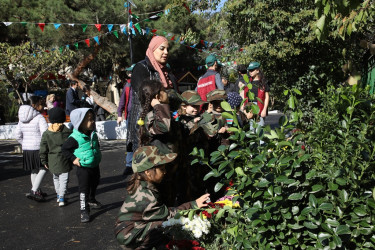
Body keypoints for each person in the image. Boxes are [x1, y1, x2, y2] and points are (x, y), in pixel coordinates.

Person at [115, 145, 210, 249]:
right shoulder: (146, 195)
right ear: (148, 172)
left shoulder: (142, 183)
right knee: (162, 227)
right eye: (161, 168)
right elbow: (167, 214)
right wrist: (193, 204)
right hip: (128, 234)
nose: (165, 172)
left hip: (130, 228)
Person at [126, 36, 177, 173]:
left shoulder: (167, 72)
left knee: (163, 170)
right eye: (162, 48)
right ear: (153, 49)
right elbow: (144, 95)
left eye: (167, 49)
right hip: (145, 126)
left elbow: (175, 96)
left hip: (164, 124)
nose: (166, 52)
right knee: (146, 170)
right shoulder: (141, 68)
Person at [62, 108, 102, 223]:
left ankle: (91, 199)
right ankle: (84, 210)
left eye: (92, 119)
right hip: (83, 167)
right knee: (84, 188)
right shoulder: (74, 138)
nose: (93, 121)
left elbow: (95, 145)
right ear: (80, 123)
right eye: (89, 120)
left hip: (94, 164)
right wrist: (73, 159)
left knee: (95, 182)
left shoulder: (92, 133)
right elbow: (65, 150)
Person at [15, 96, 48, 201]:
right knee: (44, 168)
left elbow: (17, 135)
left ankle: (37, 190)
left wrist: (24, 143)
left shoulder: (21, 119)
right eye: (41, 104)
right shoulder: (39, 117)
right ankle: (34, 190)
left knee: (34, 169)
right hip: (38, 147)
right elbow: (45, 134)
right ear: (35, 105)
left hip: (27, 148)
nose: (43, 107)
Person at [39, 107, 72, 207]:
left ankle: (58, 195)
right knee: (64, 179)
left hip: (52, 159)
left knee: (56, 177)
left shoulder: (46, 133)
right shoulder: (67, 132)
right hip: (64, 159)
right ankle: (62, 197)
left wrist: (44, 161)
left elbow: (43, 148)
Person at [245, 62, 270, 126]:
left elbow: (267, 97)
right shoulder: (248, 82)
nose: (251, 72)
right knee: (252, 128)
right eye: (250, 70)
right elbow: (245, 96)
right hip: (250, 107)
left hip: (260, 107)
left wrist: (264, 109)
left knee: (260, 128)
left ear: (257, 70)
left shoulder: (263, 82)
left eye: (252, 70)